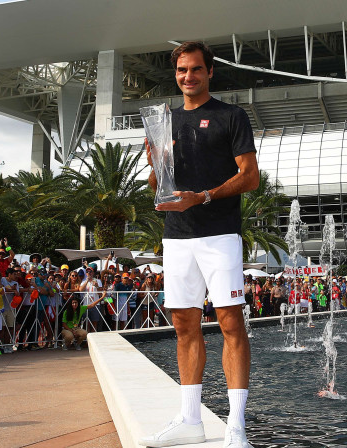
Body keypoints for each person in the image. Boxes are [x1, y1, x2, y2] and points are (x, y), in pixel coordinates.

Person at [139, 41, 259, 448]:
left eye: (195, 70)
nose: (188, 77)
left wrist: (204, 196)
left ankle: (236, 425)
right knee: (184, 326)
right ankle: (190, 419)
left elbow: (250, 177)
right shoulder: (163, 122)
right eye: (181, 71)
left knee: (230, 324)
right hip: (176, 236)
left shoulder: (231, 116)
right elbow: (157, 186)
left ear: (210, 72)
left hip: (220, 233)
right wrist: (156, 161)